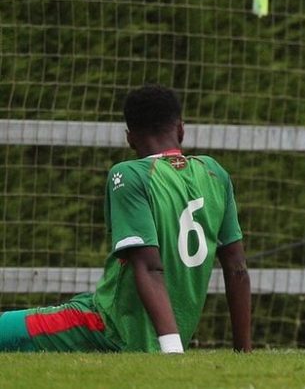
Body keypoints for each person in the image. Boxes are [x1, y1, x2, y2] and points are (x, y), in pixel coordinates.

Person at [0, 84, 252, 353]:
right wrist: (243, 352)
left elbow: (148, 266)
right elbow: (237, 266)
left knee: (6, 329)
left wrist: (172, 352)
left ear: (130, 138)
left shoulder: (129, 175)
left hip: (108, 327)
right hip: (160, 331)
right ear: (180, 128)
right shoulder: (214, 173)